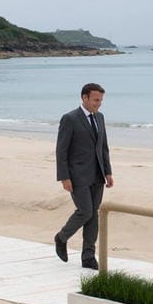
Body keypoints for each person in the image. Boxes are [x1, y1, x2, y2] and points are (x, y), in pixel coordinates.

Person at [53, 82, 114, 269]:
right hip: (77, 175)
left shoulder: (100, 117)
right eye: (96, 100)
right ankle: (61, 237)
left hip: (97, 174)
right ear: (84, 98)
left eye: (101, 101)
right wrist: (64, 177)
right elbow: (61, 150)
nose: (99, 104)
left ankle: (88, 256)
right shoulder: (70, 118)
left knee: (93, 215)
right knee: (85, 211)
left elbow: (103, 147)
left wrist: (108, 171)